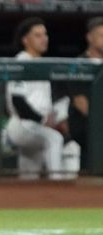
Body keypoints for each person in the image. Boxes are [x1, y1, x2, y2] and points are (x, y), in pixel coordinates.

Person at [5, 17, 79, 180]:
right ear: (25, 40)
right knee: (54, 139)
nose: (44, 38)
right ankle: (56, 182)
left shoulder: (39, 62)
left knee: (28, 178)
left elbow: (39, 101)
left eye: (45, 34)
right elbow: (18, 101)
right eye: (37, 35)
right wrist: (43, 119)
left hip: (36, 127)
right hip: (22, 124)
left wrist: (53, 114)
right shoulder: (22, 61)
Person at [65, 16, 103, 167]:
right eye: (101, 35)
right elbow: (81, 104)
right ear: (89, 38)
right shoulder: (78, 65)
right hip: (83, 122)